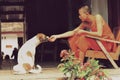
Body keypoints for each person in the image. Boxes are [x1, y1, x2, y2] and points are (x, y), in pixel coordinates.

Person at [49, 5, 116, 63]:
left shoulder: (97, 17)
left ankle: (79, 63)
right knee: (73, 37)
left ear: (86, 13)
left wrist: (84, 32)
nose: (79, 16)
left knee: (83, 38)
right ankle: (76, 59)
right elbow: (73, 32)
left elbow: (99, 34)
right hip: (99, 43)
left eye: (80, 14)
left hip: (107, 44)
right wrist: (57, 36)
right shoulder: (85, 23)